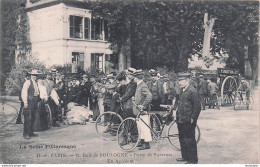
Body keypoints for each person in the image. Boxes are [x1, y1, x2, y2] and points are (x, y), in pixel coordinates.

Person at [176, 72, 201, 164]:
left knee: (189, 139)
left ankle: (193, 160)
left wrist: (193, 118)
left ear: (187, 81)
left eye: (181, 80)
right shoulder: (183, 90)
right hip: (181, 119)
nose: (179, 82)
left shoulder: (192, 91)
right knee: (182, 138)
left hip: (188, 120)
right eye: (179, 80)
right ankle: (185, 156)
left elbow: (197, 107)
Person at [132, 70, 153, 150]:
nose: (134, 79)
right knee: (140, 126)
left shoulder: (142, 86)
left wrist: (143, 106)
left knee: (144, 127)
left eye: (134, 77)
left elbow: (149, 96)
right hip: (138, 111)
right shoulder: (139, 85)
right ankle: (142, 141)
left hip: (142, 111)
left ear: (136, 78)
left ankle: (146, 144)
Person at [21, 69, 42, 139]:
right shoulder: (27, 82)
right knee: (28, 118)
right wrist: (25, 102)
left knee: (33, 117)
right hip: (29, 102)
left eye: (36, 75)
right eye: (33, 75)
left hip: (35, 101)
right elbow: (24, 92)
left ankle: (31, 132)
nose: (35, 76)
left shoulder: (36, 83)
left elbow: (38, 92)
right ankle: (26, 134)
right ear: (30, 75)